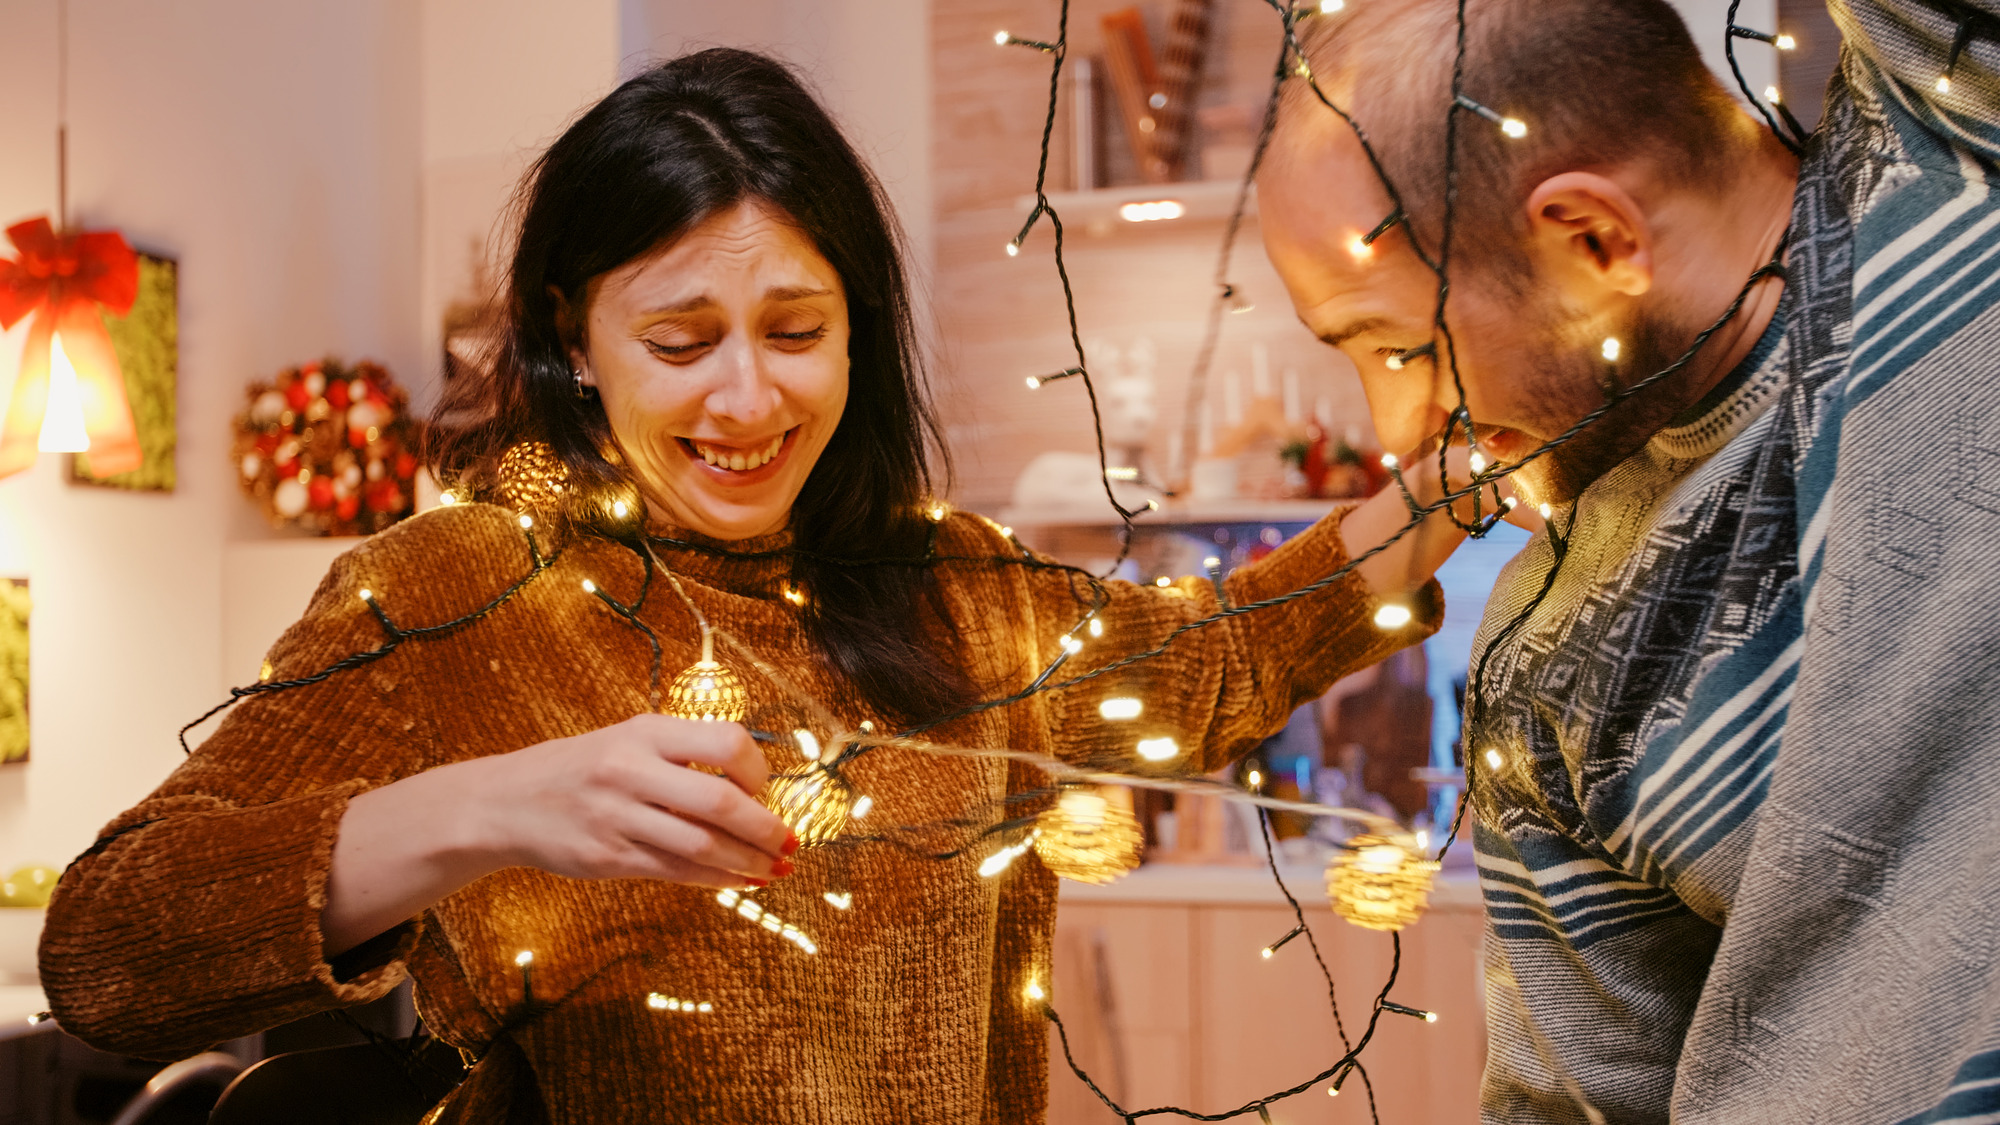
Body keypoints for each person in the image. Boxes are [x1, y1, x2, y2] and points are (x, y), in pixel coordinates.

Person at [40, 49, 1474, 1124]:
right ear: (574, 337)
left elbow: (1230, 650)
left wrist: (1473, 465)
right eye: (680, 340)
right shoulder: (456, 587)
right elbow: (108, 953)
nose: (747, 398)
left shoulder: (959, 588)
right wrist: (487, 808)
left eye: (797, 329)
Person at [1258, 0, 2000, 1120]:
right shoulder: (1541, 656)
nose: (1398, 428)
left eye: (1398, 346)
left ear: (1593, 238)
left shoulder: (1951, 135)